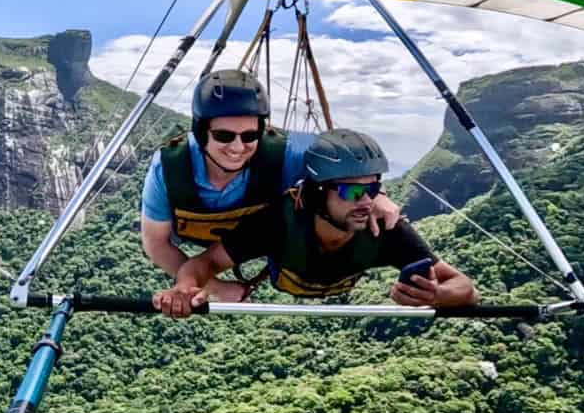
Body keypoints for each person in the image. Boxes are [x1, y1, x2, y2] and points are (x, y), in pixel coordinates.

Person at [152, 128, 479, 317]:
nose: (365, 201)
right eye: (352, 191)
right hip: (290, 269)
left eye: (373, 189)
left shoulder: (383, 229)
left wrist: (435, 295)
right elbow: (205, 262)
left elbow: (465, 288)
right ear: (317, 193)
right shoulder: (279, 222)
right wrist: (186, 288)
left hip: (339, 274)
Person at [141, 70, 400, 302]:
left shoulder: (287, 153)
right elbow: (156, 244)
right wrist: (213, 286)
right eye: (224, 136)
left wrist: (379, 195)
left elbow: (352, 159)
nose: (237, 147)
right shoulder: (170, 168)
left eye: (250, 135)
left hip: (256, 237)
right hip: (201, 244)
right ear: (201, 132)